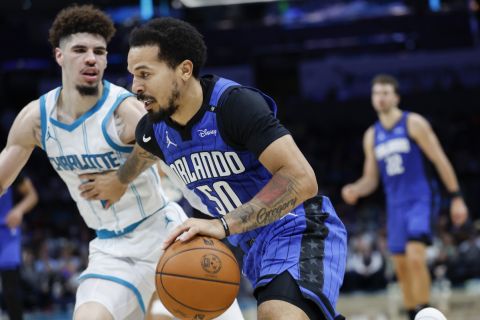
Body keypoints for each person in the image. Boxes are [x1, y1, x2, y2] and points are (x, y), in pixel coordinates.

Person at [79, 17, 347, 320]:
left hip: (298, 227)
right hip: (251, 246)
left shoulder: (234, 106)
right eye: (132, 76)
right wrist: (119, 181)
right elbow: (142, 155)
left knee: (277, 315)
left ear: (184, 69)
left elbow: (301, 179)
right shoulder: (154, 130)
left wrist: (222, 224)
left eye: (145, 75)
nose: (135, 87)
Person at [0, 5, 244, 320]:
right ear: (59, 55)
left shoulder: (123, 109)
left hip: (163, 236)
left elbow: (166, 143)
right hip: (110, 248)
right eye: (80, 50)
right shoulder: (36, 118)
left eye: (99, 51)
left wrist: (121, 179)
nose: (91, 58)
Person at [341, 74, 468, 320]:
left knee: (415, 256)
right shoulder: (371, 135)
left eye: (386, 93)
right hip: (395, 205)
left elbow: (440, 160)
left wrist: (457, 197)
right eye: (376, 93)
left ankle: (425, 312)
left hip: (420, 199)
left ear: (396, 97)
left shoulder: (414, 123)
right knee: (400, 264)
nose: (380, 97)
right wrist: (356, 188)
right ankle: (413, 314)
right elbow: (371, 179)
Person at [0, 175, 38, 320]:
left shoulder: (8, 158)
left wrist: (19, 210)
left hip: (6, 230)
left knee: (11, 289)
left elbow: (32, 195)